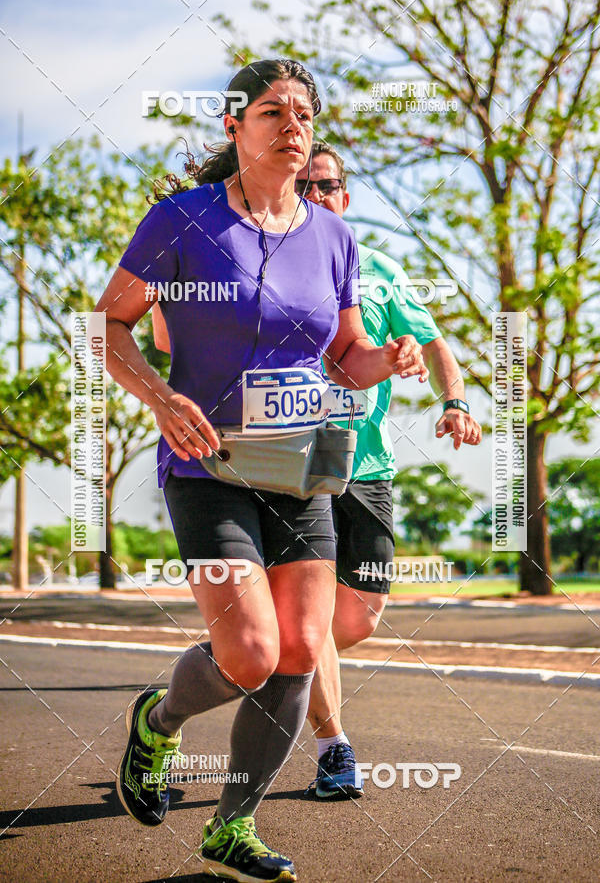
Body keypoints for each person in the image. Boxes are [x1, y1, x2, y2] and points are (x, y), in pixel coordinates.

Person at [95, 59, 428, 883]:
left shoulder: (335, 235)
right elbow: (109, 328)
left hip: (304, 468)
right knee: (247, 651)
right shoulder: (181, 221)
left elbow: (344, 359)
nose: (292, 125)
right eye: (272, 111)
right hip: (208, 466)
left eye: (304, 114)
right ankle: (158, 721)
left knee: (301, 648)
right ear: (234, 128)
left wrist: (388, 358)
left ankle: (230, 826)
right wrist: (162, 399)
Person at [293, 143, 482, 799]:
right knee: (312, 618)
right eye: (304, 185)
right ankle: (332, 747)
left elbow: (431, 341)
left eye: (327, 185)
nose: (316, 195)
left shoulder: (380, 270)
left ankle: (285, 663)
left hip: (368, 466)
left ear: (345, 196)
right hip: (301, 463)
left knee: (357, 620)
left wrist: (454, 401)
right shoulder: (277, 266)